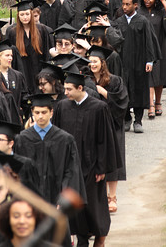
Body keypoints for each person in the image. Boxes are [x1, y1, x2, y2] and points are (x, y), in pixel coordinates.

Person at [53, 72, 121, 247]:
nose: (65, 92)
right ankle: (81, 240)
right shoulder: (62, 106)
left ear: (80, 88)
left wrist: (101, 167)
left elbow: (104, 140)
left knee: (93, 206)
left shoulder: (98, 108)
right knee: (74, 206)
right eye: (65, 88)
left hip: (91, 166)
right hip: (70, 166)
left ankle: (99, 237)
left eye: (69, 89)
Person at [15, 94, 86, 212]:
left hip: (57, 197)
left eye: (44, 112)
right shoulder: (22, 139)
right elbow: (19, 171)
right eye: (37, 112)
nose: (40, 116)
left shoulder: (65, 139)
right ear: (32, 112)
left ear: (51, 113)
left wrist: (64, 199)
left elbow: (71, 171)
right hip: (31, 199)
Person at [107, 0, 158, 133]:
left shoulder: (143, 21)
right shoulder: (118, 22)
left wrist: (150, 61)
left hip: (139, 62)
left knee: (139, 90)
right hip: (123, 63)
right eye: (123, 4)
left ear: (136, 5)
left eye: (128, 4)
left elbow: (149, 41)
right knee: (124, 90)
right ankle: (127, 119)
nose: (124, 7)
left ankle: (138, 120)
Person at [88, 46, 128, 214]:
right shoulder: (85, 81)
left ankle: (112, 196)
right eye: (90, 61)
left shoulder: (115, 81)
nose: (92, 64)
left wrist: (104, 92)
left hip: (112, 125)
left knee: (114, 160)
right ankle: (101, 197)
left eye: (95, 61)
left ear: (102, 63)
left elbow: (123, 103)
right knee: (97, 161)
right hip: (93, 127)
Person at [138, 0, 166, 118]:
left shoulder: (160, 11)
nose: (147, 0)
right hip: (145, 48)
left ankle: (158, 102)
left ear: (155, 0)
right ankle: (150, 104)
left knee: (159, 77)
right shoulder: (140, 12)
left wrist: (164, 0)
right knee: (148, 76)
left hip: (160, 46)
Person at [7, 0, 51, 94]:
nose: (25, 17)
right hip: (22, 73)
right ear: (18, 16)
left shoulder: (41, 30)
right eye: (22, 15)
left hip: (39, 72)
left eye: (27, 14)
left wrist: (45, 74)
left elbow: (46, 53)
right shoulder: (13, 33)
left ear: (31, 14)